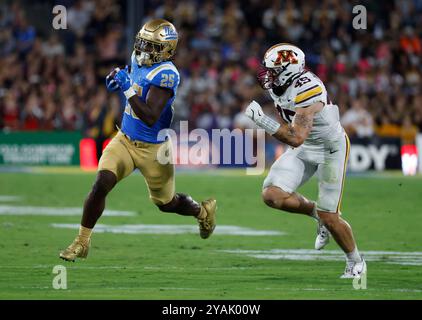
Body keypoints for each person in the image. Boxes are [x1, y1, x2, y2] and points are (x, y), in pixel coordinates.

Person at [60, 19, 217, 262]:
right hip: (124, 139)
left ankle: (201, 211)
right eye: (143, 42)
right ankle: (82, 241)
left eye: (151, 45)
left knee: (166, 203)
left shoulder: (166, 74)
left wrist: (127, 89)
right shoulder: (137, 57)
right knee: (101, 183)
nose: (144, 49)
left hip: (154, 149)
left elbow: (150, 116)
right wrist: (117, 79)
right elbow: (131, 78)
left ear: (166, 49)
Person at [245, 43, 366, 278]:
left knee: (332, 216)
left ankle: (356, 262)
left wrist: (262, 121)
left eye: (273, 70)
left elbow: (297, 137)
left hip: (329, 149)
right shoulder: (281, 84)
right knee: (272, 194)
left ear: (288, 70)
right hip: (305, 146)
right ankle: (316, 214)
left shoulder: (309, 88)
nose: (267, 75)